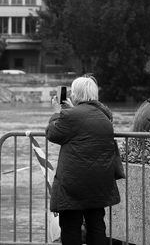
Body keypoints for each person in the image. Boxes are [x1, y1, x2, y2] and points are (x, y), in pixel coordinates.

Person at [46, 75, 120, 245]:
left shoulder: (71, 116)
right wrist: (70, 111)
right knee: (96, 225)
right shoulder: (105, 116)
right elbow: (84, 121)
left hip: (74, 183)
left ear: (75, 93)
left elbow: (53, 133)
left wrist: (58, 112)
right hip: (100, 181)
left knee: (71, 227)